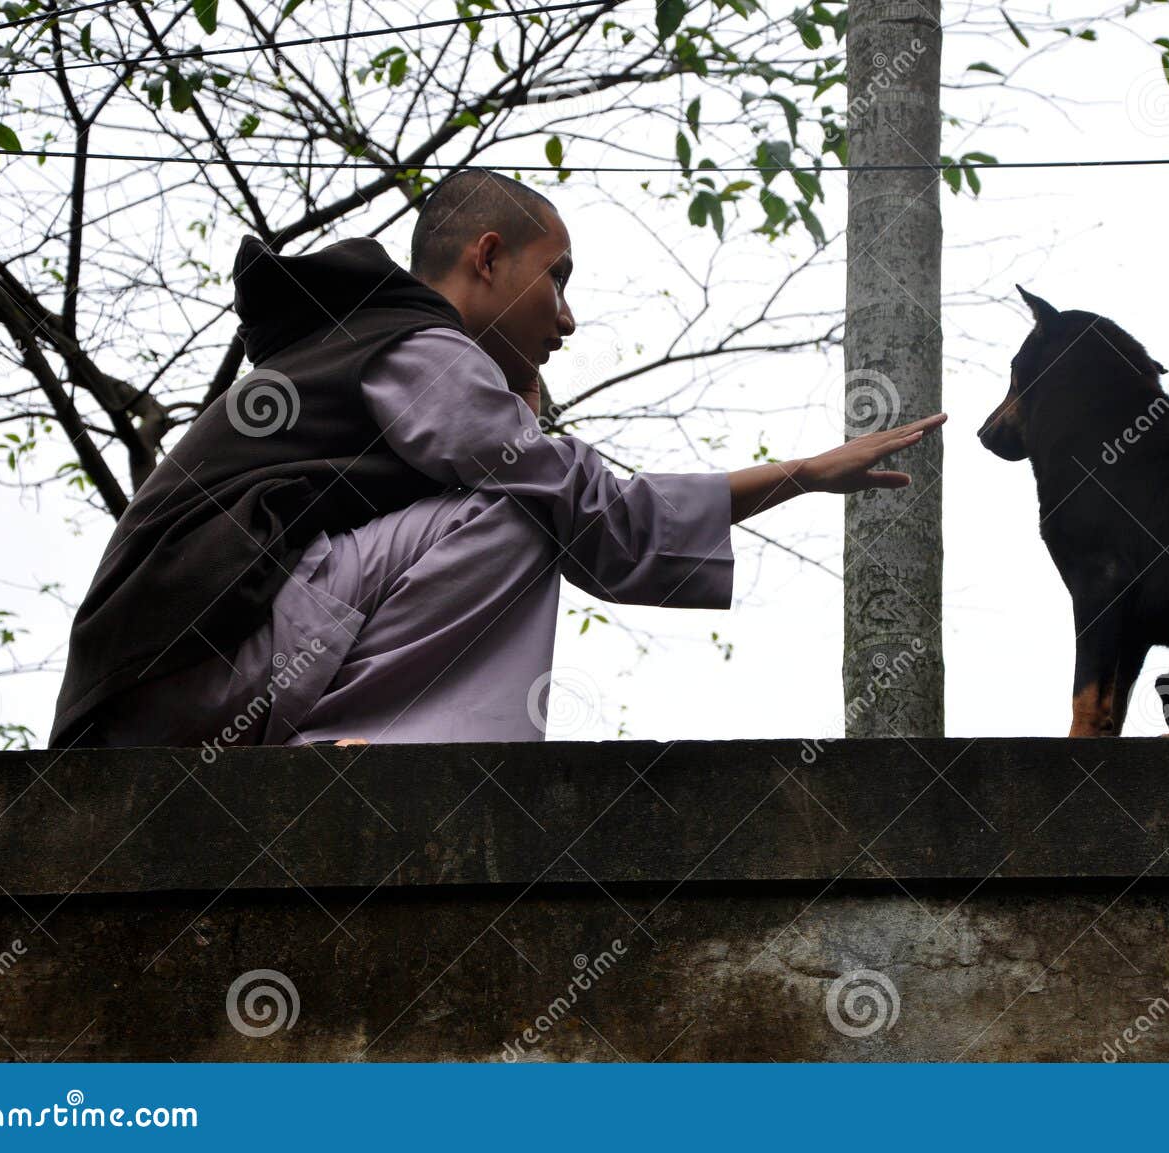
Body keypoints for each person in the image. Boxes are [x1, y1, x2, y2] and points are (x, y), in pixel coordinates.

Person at [48, 171, 945, 748]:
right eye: (556, 276)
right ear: (488, 256)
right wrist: (803, 472)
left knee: (524, 500)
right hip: (189, 680)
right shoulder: (417, 348)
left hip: (154, 692)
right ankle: (373, 755)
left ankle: (356, 743)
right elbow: (598, 518)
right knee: (523, 516)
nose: (566, 317)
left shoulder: (364, 345)